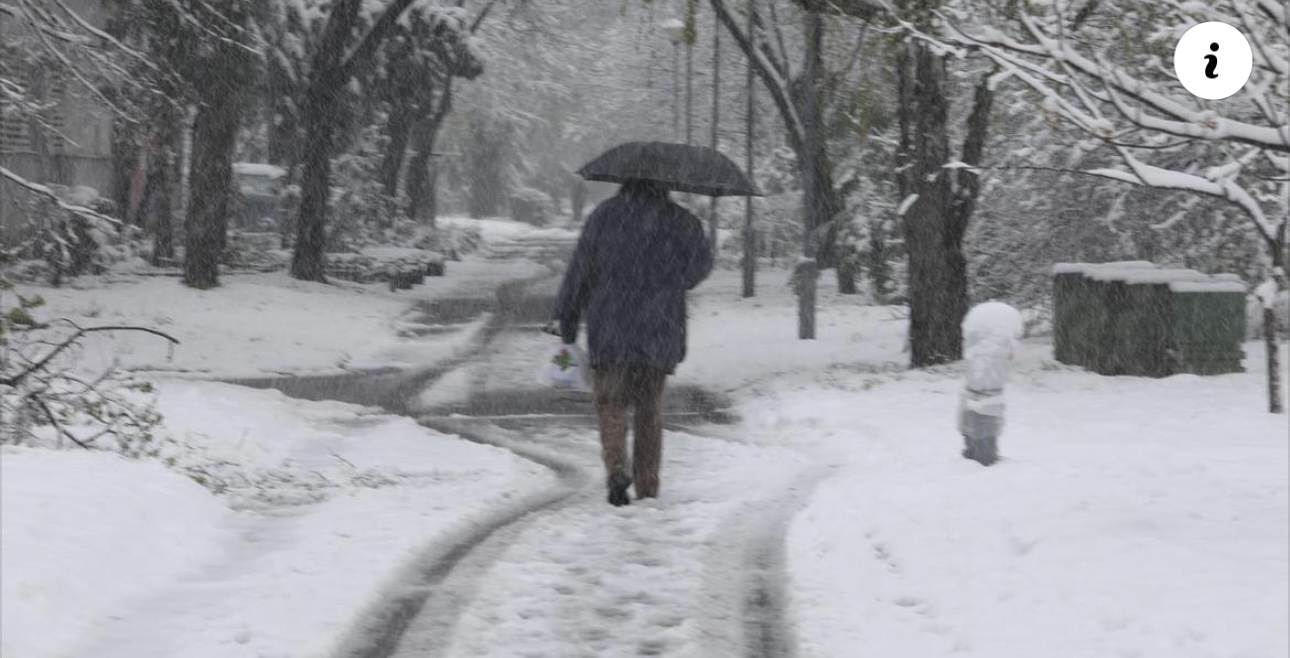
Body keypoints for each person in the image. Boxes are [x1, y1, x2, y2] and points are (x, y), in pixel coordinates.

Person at [552, 178, 713, 506]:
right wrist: (671, 278)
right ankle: (647, 485)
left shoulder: (604, 216)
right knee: (649, 412)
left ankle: (616, 468)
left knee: (611, 404)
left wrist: (567, 318)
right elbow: (700, 267)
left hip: (609, 329)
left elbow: (579, 271)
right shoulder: (681, 221)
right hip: (659, 329)